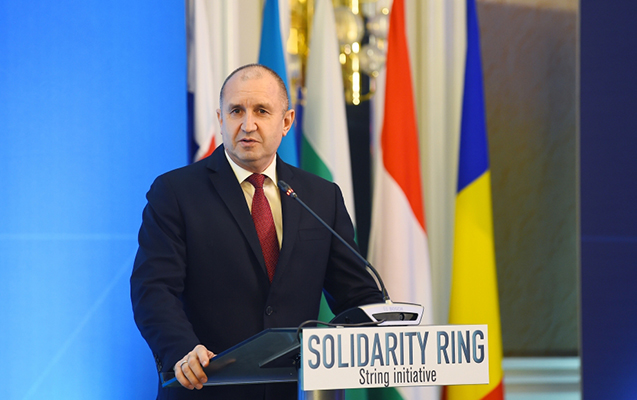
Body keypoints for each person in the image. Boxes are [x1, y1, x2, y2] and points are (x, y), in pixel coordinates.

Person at [130, 64, 384, 400]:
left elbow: (356, 294)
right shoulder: (175, 192)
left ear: (287, 122)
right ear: (220, 119)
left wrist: (386, 329)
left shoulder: (321, 197)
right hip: (206, 387)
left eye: (261, 111)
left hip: (291, 391)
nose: (247, 125)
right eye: (236, 111)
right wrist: (182, 350)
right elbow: (153, 289)